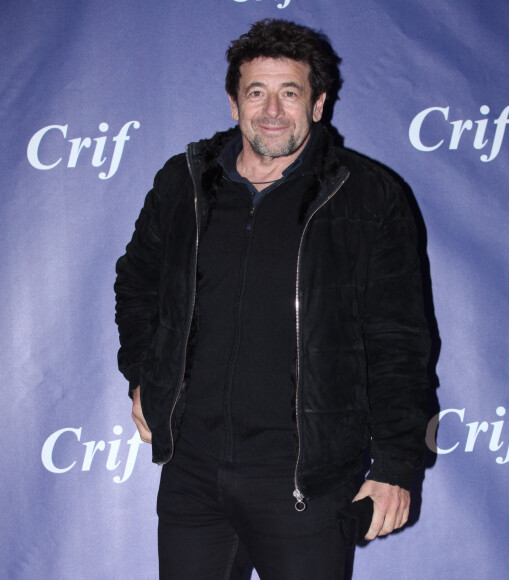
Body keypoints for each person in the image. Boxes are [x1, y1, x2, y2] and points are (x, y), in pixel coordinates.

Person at [115, 18, 431, 580]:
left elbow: (400, 340)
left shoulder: (368, 197)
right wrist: (144, 373)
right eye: (256, 92)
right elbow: (136, 283)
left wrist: (397, 463)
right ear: (234, 103)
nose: (272, 110)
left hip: (304, 480)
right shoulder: (182, 184)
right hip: (191, 470)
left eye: (291, 92)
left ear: (318, 104)